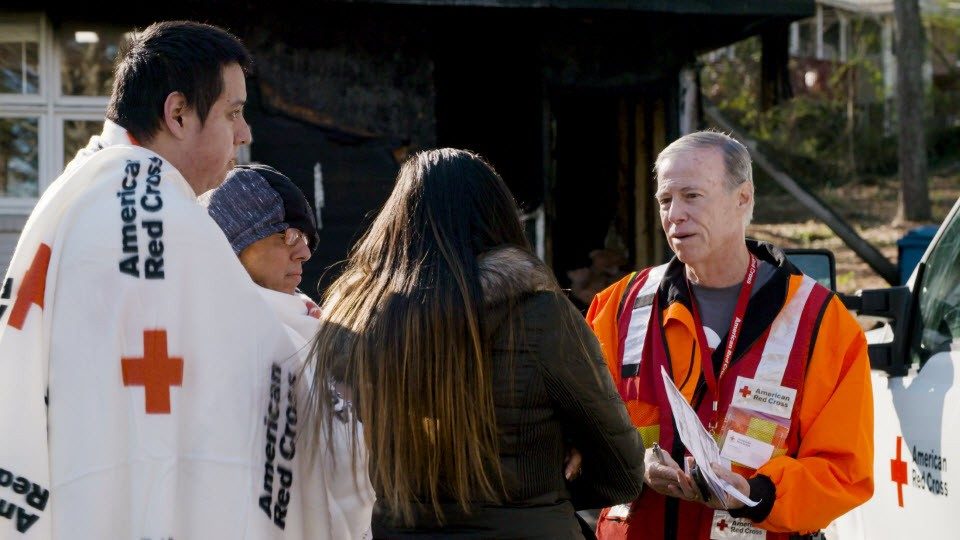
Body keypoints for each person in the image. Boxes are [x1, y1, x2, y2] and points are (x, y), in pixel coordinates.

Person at [0, 21, 352, 539]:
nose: (245, 132)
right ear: (179, 113)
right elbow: (257, 354)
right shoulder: (159, 215)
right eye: (233, 112)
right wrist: (337, 338)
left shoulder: (77, 191)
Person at [307, 148, 645, 538]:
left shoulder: (351, 322)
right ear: (498, 216)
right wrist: (550, 476)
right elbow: (623, 470)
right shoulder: (540, 315)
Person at [586, 130, 874, 539]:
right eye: (665, 200)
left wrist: (753, 494)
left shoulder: (822, 322)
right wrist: (634, 464)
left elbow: (843, 471)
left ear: (743, 198)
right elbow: (577, 431)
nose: (675, 215)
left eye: (692, 196)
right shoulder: (618, 307)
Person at [201, 163, 375, 537]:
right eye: (288, 235)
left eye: (308, 239)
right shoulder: (222, 338)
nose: (305, 254)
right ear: (233, 242)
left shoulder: (307, 325)